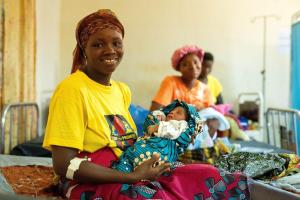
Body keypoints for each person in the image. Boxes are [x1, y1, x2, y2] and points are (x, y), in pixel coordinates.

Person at [43, 9, 251, 199]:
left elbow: (128, 141)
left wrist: (152, 160)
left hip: (135, 165)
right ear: (83, 49)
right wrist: (132, 177)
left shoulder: (121, 90)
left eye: (116, 43)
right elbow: (63, 165)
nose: (110, 50)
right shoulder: (72, 90)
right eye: (98, 44)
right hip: (95, 178)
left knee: (210, 175)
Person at [150, 45, 214, 112]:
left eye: (195, 62)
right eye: (185, 64)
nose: (192, 67)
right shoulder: (171, 82)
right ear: (179, 69)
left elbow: (213, 117)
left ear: (201, 63)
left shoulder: (205, 89)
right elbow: (154, 111)